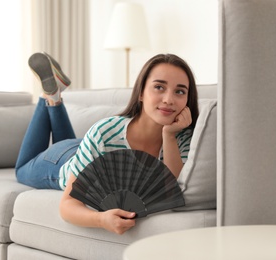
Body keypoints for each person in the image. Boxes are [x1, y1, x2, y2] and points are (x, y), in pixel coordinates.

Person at [16, 52, 199, 234]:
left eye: (180, 91)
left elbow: (170, 189)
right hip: (63, 162)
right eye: (159, 87)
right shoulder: (105, 132)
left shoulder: (182, 138)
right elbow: (67, 206)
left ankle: (55, 95)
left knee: (75, 143)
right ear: (141, 92)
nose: (169, 99)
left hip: (88, 149)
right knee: (22, 169)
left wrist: (168, 135)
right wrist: (101, 220)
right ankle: (48, 96)